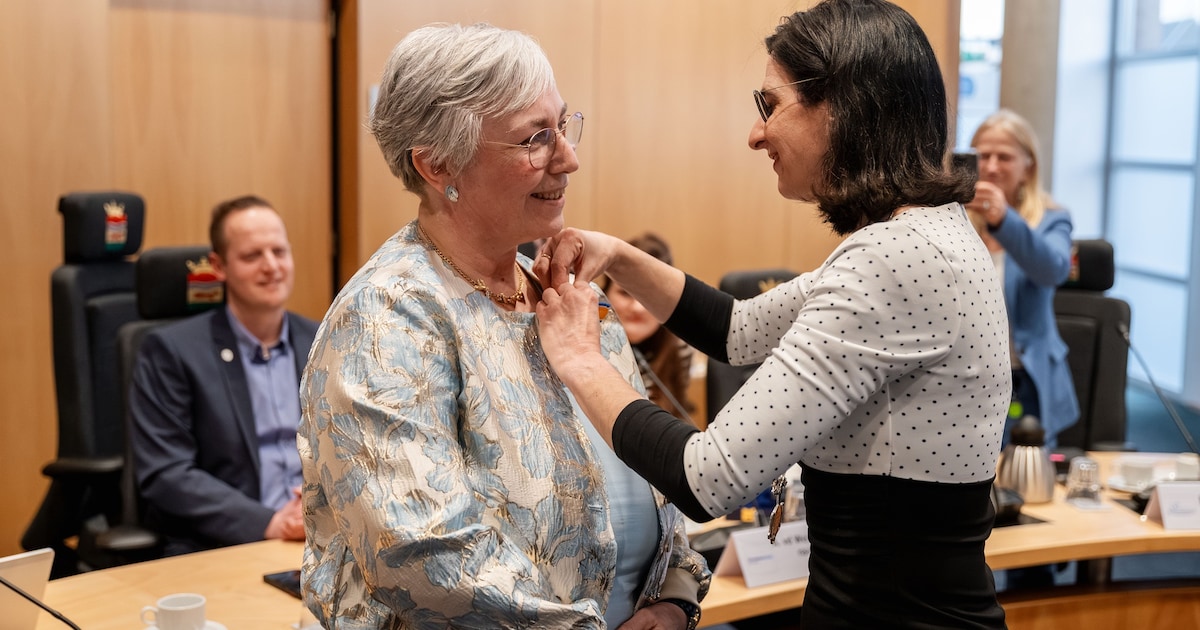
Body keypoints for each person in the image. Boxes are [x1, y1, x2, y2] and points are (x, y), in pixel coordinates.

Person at [535, 0, 1009, 627]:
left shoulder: (894, 259)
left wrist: (579, 359)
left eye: (770, 104)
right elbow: (736, 330)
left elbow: (706, 479)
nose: (756, 134)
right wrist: (618, 256)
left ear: (845, 107)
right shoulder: (928, 236)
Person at [298, 23, 709, 629]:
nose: (569, 158)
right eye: (536, 138)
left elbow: (655, 485)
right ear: (437, 164)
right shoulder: (387, 317)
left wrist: (675, 598)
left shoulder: (573, 297)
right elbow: (426, 558)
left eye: (563, 126)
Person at [130, 195, 317, 556]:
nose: (271, 266)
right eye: (252, 256)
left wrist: (321, 503)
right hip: (226, 544)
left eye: (279, 251)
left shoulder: (324, 340)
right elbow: (166, 472)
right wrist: (268, 522)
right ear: (218, 266)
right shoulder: (172, 351)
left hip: (319, 540)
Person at [967, 109, 1078, 449]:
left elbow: (1053, 269)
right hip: (968, 378)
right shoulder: (955, 218)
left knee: (1026, 473)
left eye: (1004, 157)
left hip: (1026, 378)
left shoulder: (1051, 219)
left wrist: (1004, 220)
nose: (991, 167)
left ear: (1028, 166)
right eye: (983, 156)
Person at [601, 233, 696, 421]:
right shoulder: (587, 345)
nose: (637, 307)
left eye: (648, 297)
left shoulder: (680, 347)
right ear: (605, 293)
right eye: (625, 293)